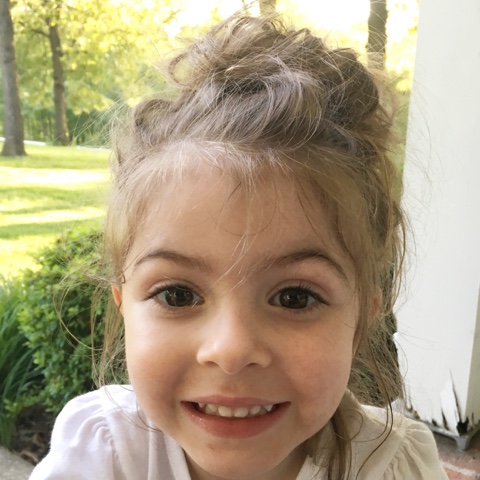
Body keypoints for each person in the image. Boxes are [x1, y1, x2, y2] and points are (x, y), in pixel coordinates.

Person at [30, 13, 448, 480]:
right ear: (122, 304)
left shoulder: (394, 466)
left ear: (362, 318)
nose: (230, 350)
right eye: (177, 295)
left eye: (295, 297)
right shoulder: (103, 455)